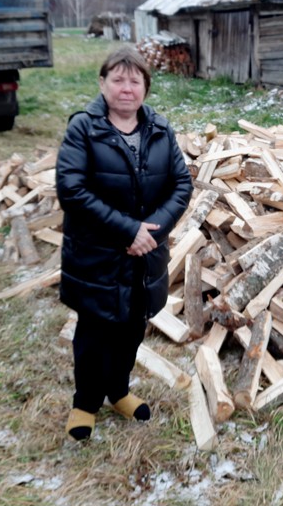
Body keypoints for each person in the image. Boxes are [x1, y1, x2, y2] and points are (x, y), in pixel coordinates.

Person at [56, 46, 193, 441]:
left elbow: (181, 184)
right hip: (98, 255)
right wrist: (126, 231)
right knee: (95, 331)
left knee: (133, 328)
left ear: (146, 88)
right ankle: (85, 403)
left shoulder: (161, 130)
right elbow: (72, 189)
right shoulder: (84, 127)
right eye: (118, 79)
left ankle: (118, 392)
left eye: (135, 80)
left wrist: (152, 231)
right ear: (102, 84)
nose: (126, 88)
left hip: (144, 257)